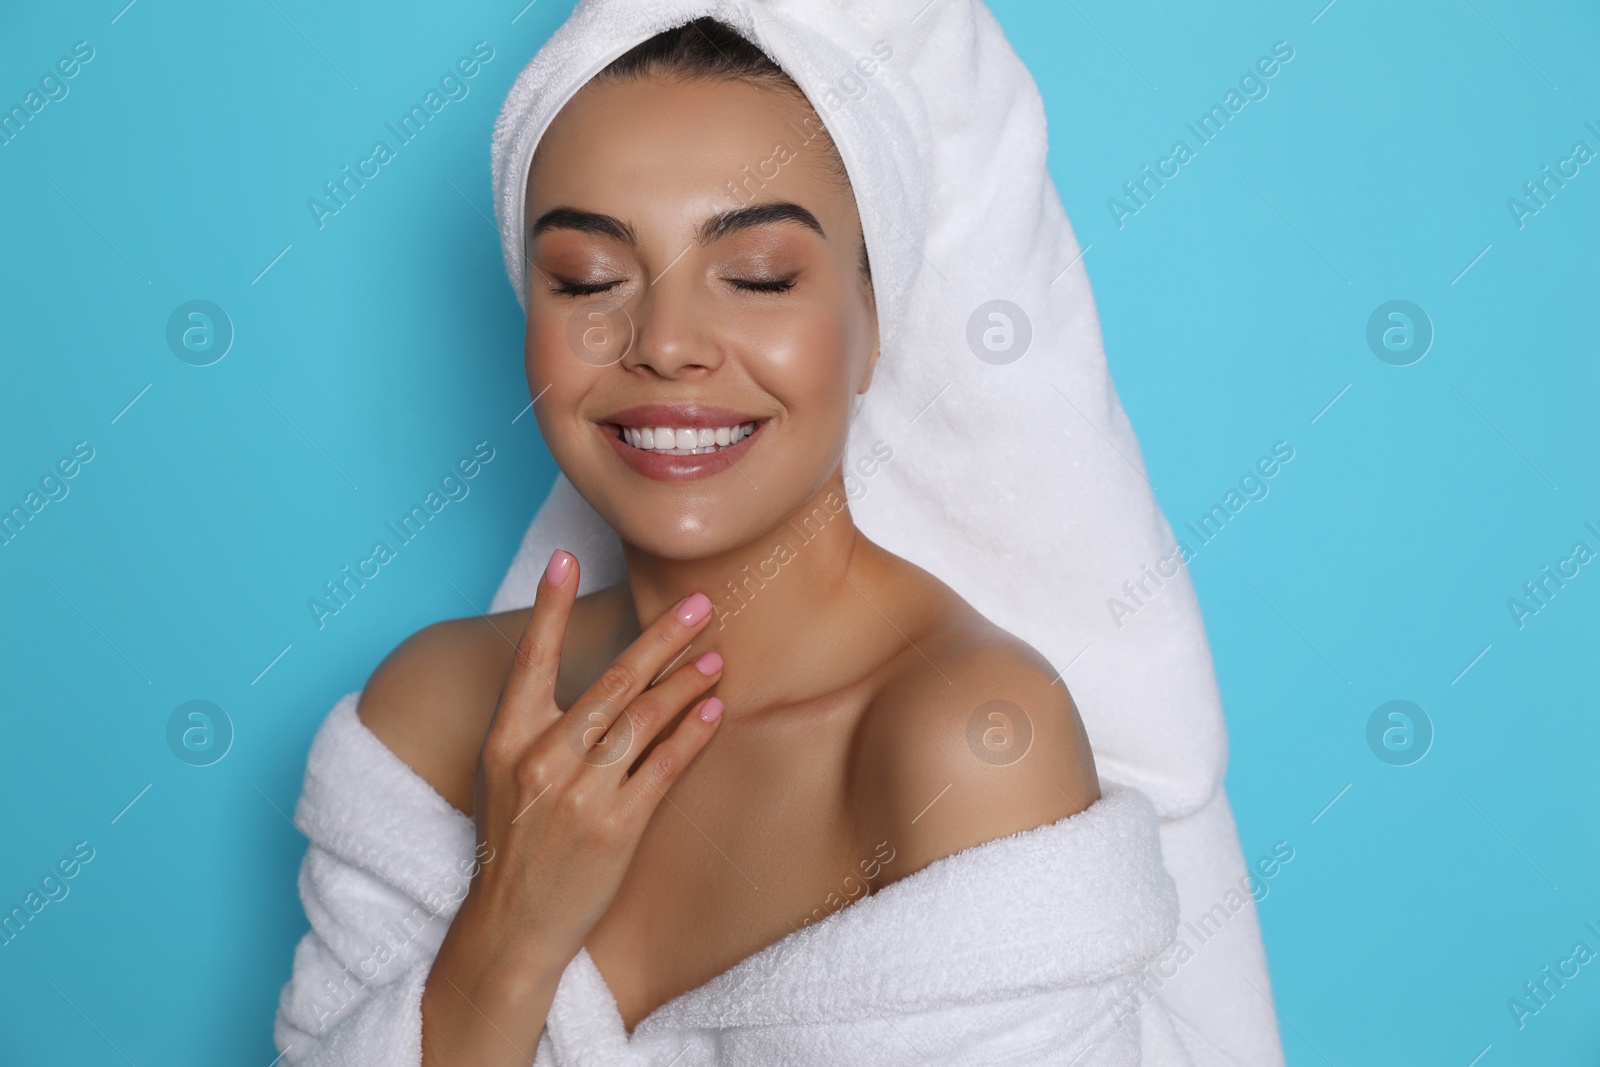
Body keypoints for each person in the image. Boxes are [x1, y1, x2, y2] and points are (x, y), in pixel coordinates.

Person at [274, 6, 1284, 1066]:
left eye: (756, 274)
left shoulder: (962, 746)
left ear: (871, 322)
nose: (663, 343)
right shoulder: (429, 715)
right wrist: (505, 939)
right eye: (586, 278)